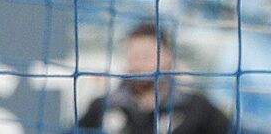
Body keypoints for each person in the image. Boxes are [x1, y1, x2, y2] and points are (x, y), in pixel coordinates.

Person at [74, 22, 232, 133]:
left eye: (147, 55)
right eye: (133, 56)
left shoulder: (196, 108)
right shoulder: (101, 107)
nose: (139, 63)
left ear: (168, 57)